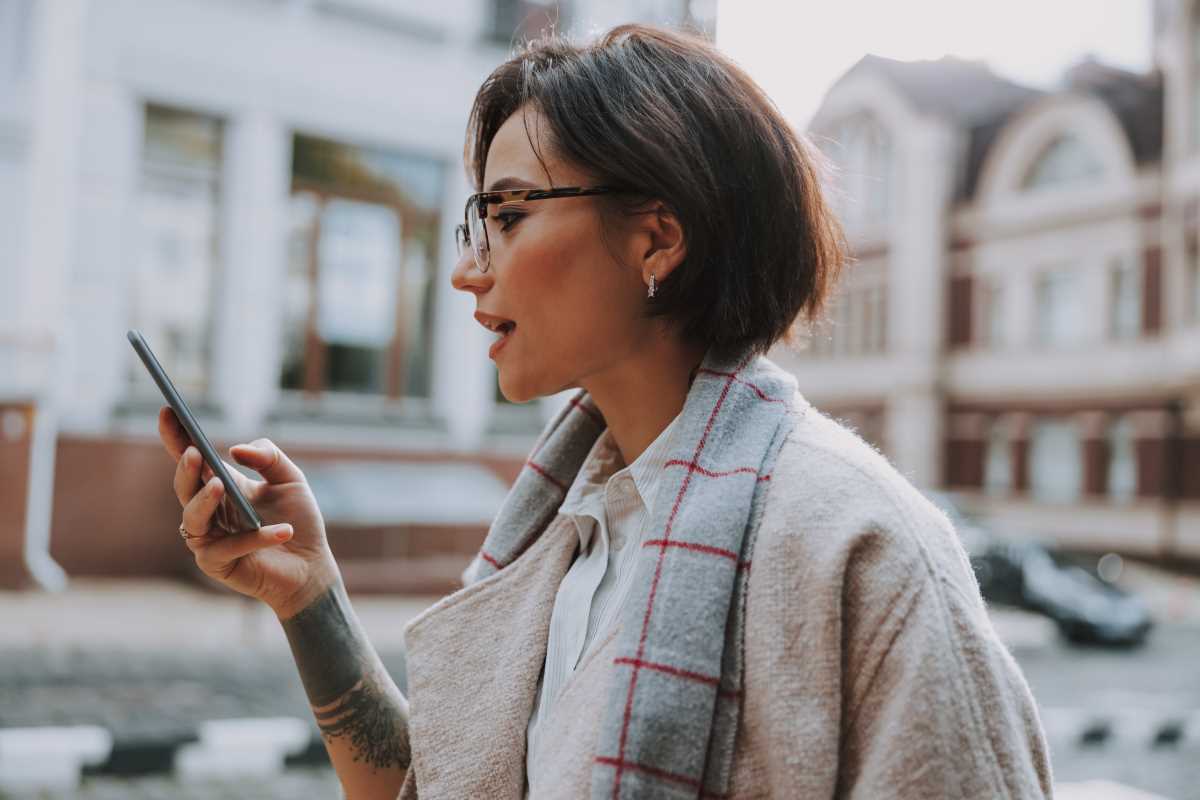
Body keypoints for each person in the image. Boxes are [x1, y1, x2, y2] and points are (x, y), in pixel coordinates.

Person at [157, 23, 1053, 800]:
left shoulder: (862, 548)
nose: (471, 271)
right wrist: (309, 595)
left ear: (656, 238)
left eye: (508, 215)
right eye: (479, 222)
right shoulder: (565, 535)